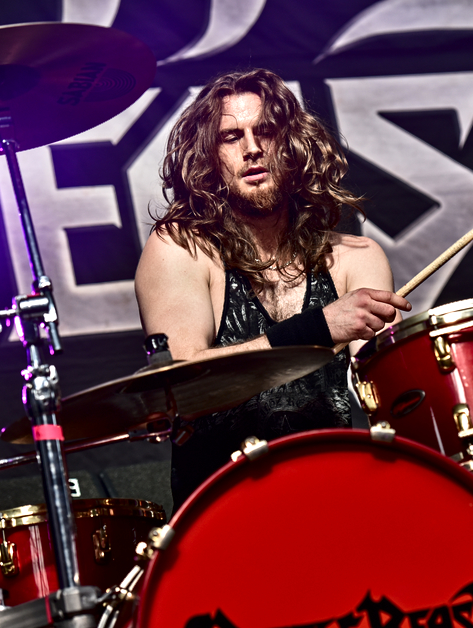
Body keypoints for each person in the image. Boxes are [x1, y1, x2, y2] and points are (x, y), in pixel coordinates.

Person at [134, 68, 411, 509]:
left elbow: (386, 392)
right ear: (208, 157)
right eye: (231, 137)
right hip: (227, 512)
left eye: (265, 131)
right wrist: (319, 328)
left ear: (292, 143)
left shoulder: (355, 257)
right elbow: (182, 390)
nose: (252, 148)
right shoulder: (180, 247)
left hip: (335, 499)